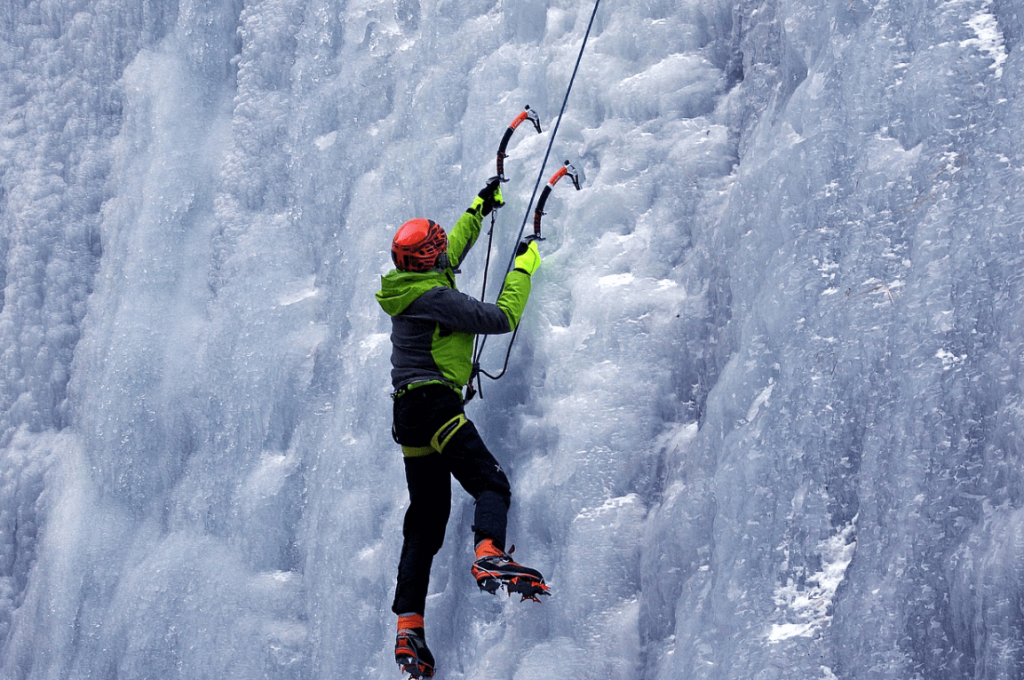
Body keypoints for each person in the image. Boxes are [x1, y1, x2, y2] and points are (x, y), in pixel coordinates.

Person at [375, 178, 547, 678]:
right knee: (489, 481)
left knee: (426, 520)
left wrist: (480, 205)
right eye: (433, 248)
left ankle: (409, 627)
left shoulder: (407, 285)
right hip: (435, 405)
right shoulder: (435, 297)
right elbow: (501, 316)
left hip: (409, 418)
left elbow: (453, 246)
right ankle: (489, 554)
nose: (440, 251)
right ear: (423, 259)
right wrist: (524, 265)